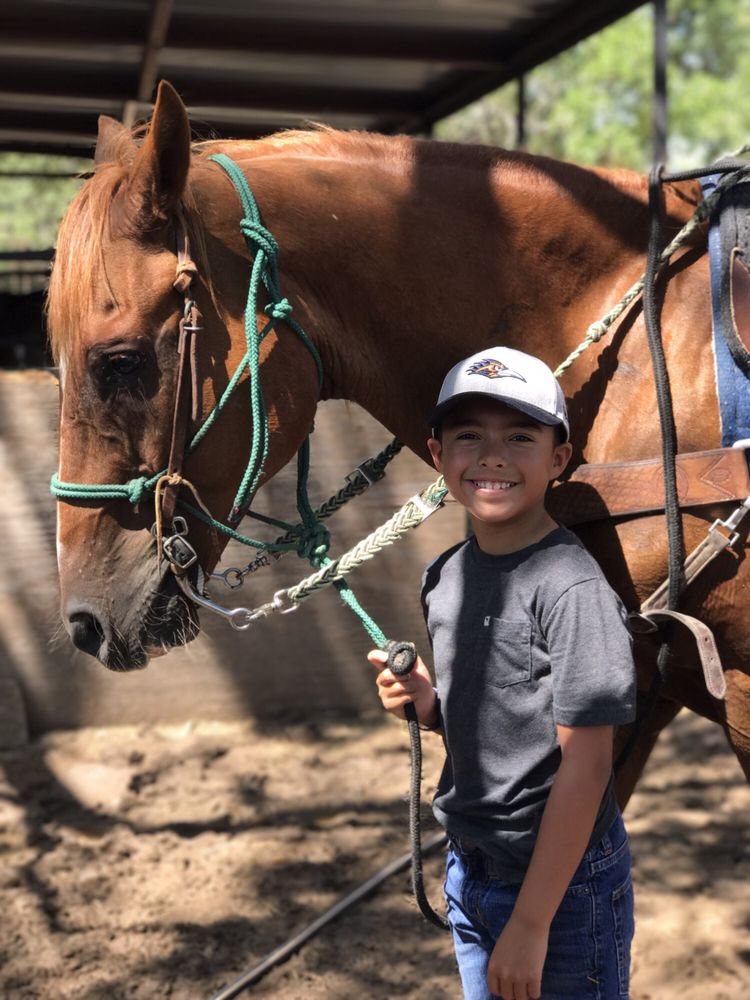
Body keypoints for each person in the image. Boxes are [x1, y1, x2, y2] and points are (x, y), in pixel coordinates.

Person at [369, 346, 636, 1000]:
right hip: (471, 868)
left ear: (557, 458)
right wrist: (429, 705)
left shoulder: (571, 589)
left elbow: (588, 765)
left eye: (520, 436)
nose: (492, 456)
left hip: (560, 887)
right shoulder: (446, 578)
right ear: (437, 454)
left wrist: (533, 921)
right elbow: (496, 715)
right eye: (469, 437)